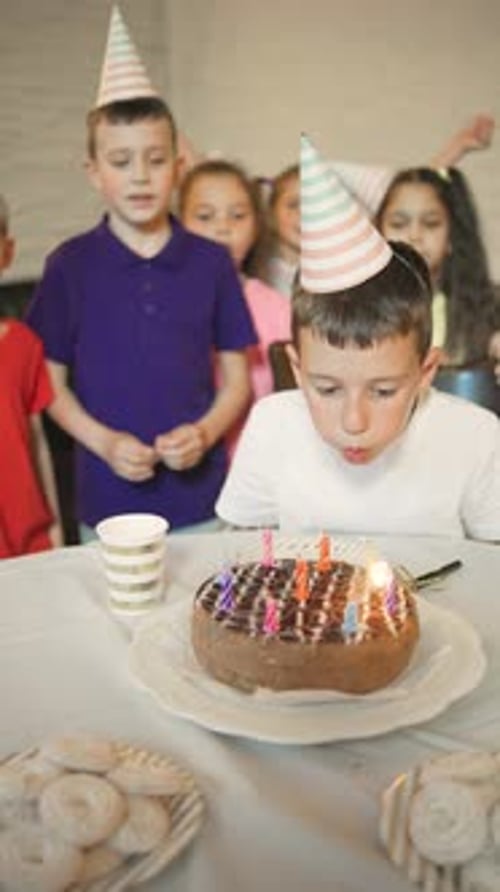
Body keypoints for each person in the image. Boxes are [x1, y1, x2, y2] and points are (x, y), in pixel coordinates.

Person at [25, 7, 256, 537]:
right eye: (121, 160)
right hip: (108, 500)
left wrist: (204, 432)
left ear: (178, 167)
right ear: (93, 172)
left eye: (155, 159)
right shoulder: (69, 265)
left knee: (201, 613)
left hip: (203, 498)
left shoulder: (211, 261)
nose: (140, 176)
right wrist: (104, 442)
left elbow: (237, 380)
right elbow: (49, 385)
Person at [216, 136, 500, 541]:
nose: (353, 422)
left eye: (383, 391)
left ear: (426, 371)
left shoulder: (473, 437)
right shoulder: (272, 426)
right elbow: (241, 552)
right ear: (297, 369)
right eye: (327, 389)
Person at [261, 114, 495, 299]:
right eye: (294, 204)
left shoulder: (353, 265)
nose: (310, 214)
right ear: (271, 214)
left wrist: (456, 149)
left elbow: (407, 198)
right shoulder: (261, 270)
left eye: (320, 203)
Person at [179, 159, 290, 449]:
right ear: (178, 224)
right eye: (205, 216)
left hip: (256, 461)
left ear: (256, 225)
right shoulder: (168, 305)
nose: (222, 228)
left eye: (237, 216)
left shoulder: (277, 308)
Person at [376, 166, 500, 369]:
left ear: (453, 235)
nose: (414, 235)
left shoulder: (491, 309)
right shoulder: (356, 308)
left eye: (431, 223)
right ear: (378, 231)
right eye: (399, 224)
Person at [0, 195, 63, 557]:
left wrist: (55, 533)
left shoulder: (24, 343)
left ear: (6, 253)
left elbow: (37, 441)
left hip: (29, 542)